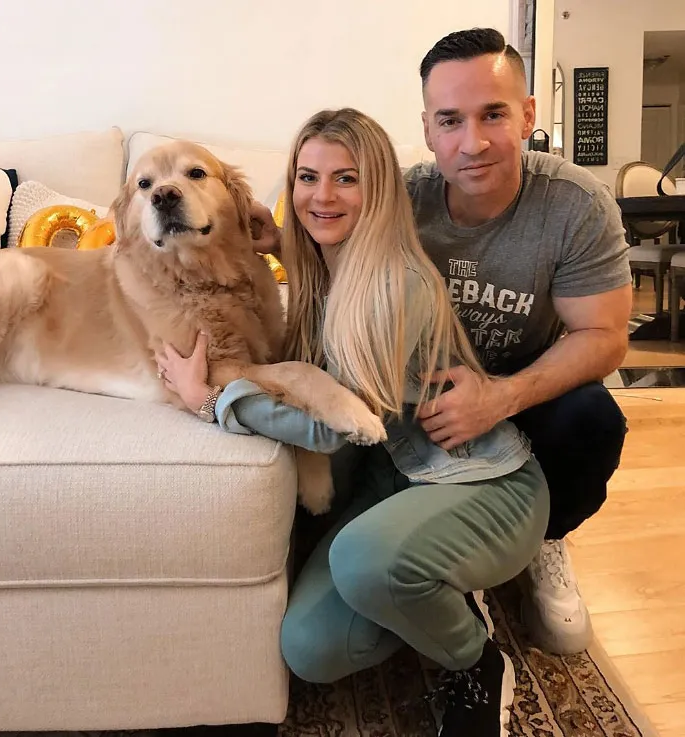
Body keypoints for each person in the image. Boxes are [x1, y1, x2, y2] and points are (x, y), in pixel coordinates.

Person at [157, 107, 551, 736]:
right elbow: (316, 296)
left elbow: (336, 427)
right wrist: (276, 242)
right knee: (310, 649)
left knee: (365, 561)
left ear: (380, 188)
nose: (322, 196)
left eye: (346, 178)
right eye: (307, 177)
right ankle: (429, 581)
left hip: (478, 482)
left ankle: (477, 661)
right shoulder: (322, 265)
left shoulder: (396, 284)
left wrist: (210, 399)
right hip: (391, 482)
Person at [249, 27, 633, 657]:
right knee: (314, 641)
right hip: (412, 417)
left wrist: (500, 397)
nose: (472, 142)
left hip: (515, 394)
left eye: (493, 115)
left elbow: (606, 336)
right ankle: (435, 565)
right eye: (451, 120)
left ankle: (542, 542)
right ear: (427, 128)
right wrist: (281, 241)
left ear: (528, 116)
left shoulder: (574, 205)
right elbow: (339, 248)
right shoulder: (401, 195)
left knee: (593, 415)